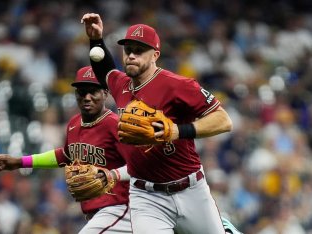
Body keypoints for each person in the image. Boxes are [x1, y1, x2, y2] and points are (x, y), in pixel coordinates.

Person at [81, 13, 234, 234]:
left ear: (155, 55)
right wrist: (96, 40)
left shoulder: (177, 85)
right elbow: (104, 69)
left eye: (139, 50)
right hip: (146, 197)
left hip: (190, 189)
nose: (132, 55)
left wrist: (177, 130)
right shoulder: (121, 84)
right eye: (128, 50)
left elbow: (223, 120)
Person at [0, 66, 132, 234]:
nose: (87, 97)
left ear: (105, 93)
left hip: (121, 209)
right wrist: (20, 162)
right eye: (82, 92)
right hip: (97, 214)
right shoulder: (74, 124)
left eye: (93, 91)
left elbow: (139, 166)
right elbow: (64, 156)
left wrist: (112, 175)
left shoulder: (114, 125)